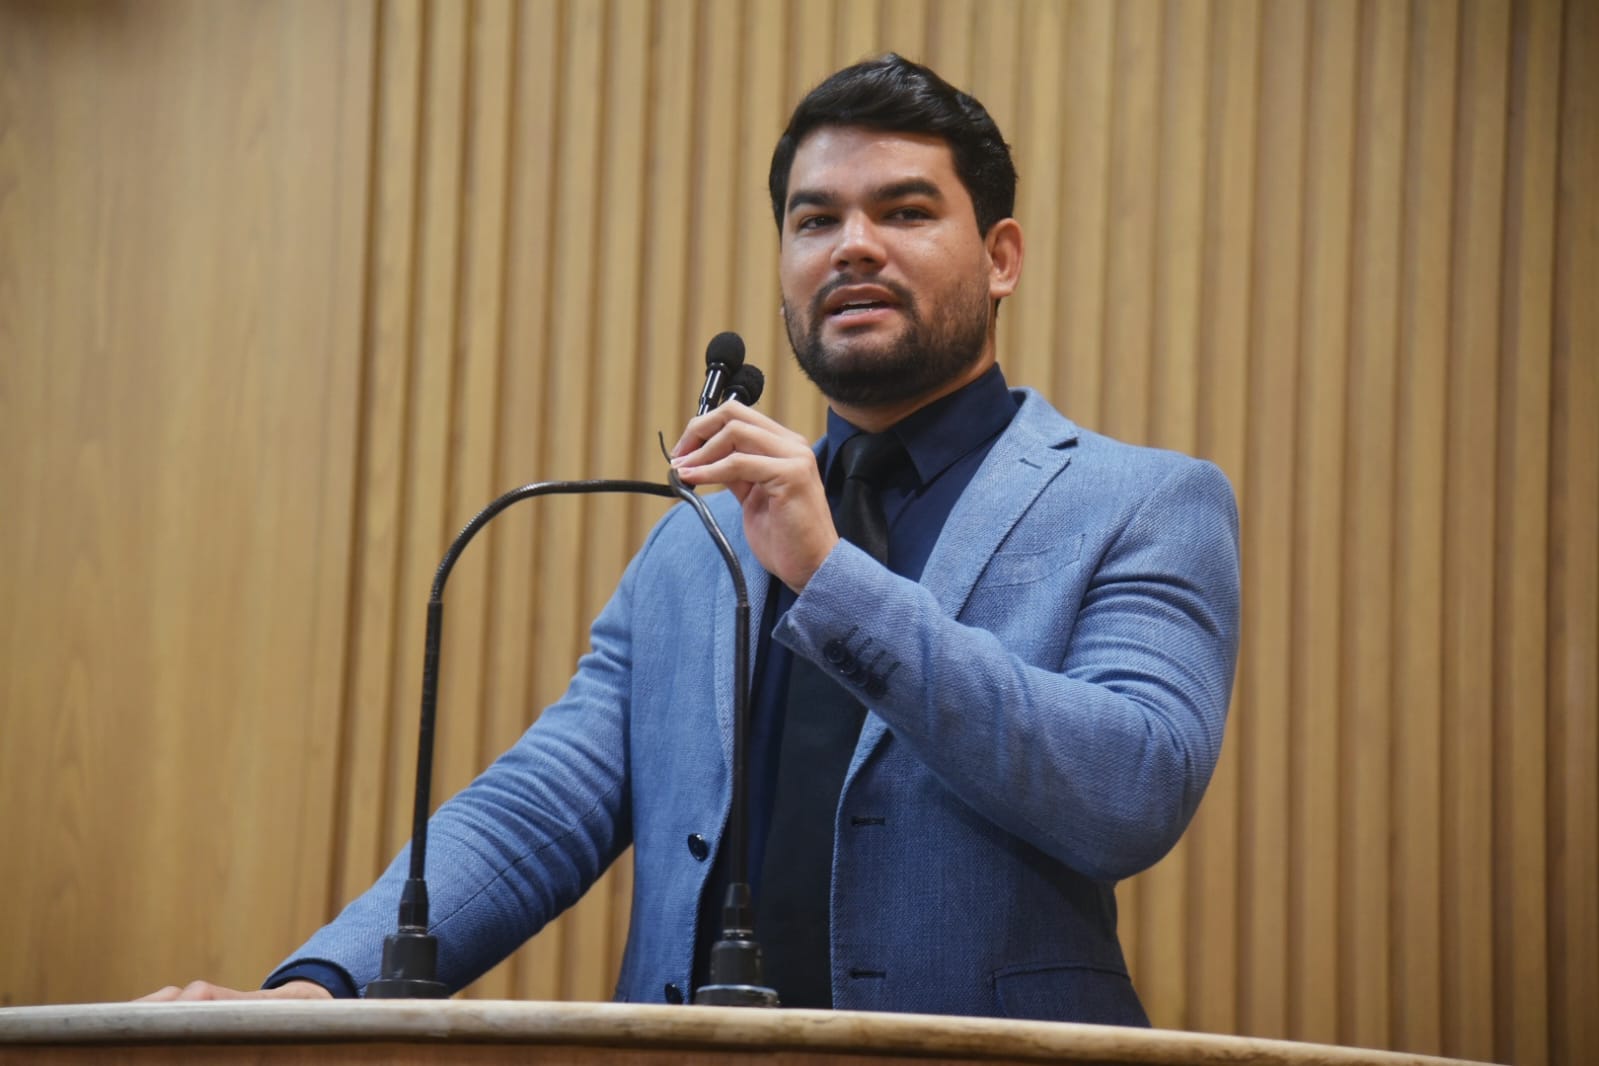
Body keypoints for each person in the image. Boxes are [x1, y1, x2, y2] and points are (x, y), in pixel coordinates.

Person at [143, 54, 1239, 1025]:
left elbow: (1131, 789)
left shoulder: (1141, 500)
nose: (853, 246)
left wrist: (828, 576)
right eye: (814, 220)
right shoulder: (700, 538)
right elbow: (546, 801)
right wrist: (322, 987)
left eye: (905, 212)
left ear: (1001, 257)